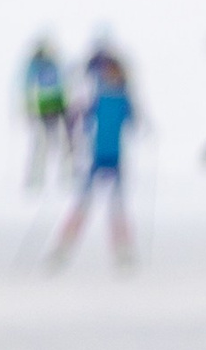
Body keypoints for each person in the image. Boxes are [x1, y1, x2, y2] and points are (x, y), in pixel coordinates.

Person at [48, 46, 135, 268]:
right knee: (82, 205)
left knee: (117, 207)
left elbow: (132, 121)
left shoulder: (122, 99)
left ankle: (123, 251)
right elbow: (79, 117)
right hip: (97, 158)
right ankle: (63, 248)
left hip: (114, 159)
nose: (109, 77)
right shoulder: (100, 97)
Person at [20, 38, 72, 191]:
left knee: (59, 145)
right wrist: (30, 110)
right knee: (41, 146)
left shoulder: (53, 65)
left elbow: (63, 85)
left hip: (55, 109)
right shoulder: (36, 66)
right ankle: (35, 178)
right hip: (44, 110)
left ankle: (64, 177)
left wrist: (65, 107)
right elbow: (28, 88)